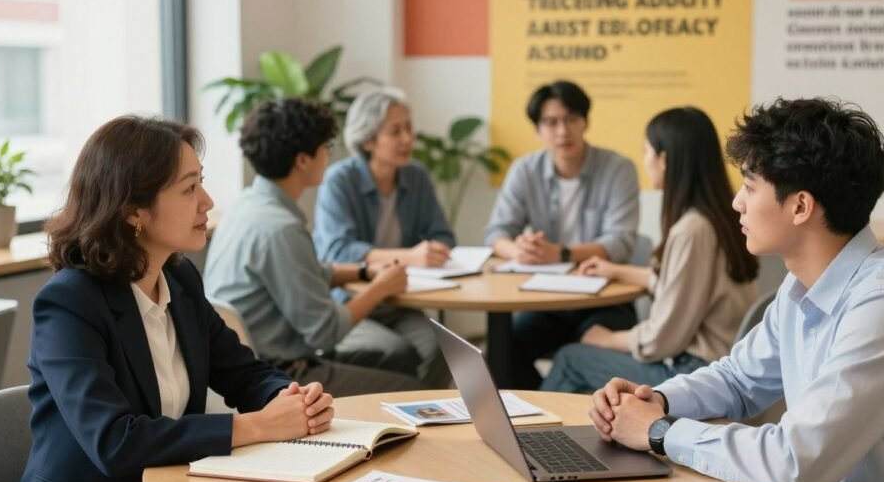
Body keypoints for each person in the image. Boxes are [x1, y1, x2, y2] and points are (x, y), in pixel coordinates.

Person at [590, 98, 884, 482]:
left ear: (800, 207)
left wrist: (659, 433)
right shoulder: (801, 289)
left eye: (750, 186)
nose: (736, 202)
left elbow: (796, 461)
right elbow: (739, 381)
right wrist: (656, 400)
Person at [0, 116, 336, 482]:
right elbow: (115, 441)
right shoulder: (69, 304)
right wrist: (253, 427)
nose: (208, 202)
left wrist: (289, 400)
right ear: (133, 211)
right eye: (188, 188)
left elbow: (244, 373)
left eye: (202, 183)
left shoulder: (180, 281)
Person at [205, 98, 431, 394]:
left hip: (241, 364)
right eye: (325, 148)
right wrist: (381, 288)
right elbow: (326, 332)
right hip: (282, 374)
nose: (329, 155)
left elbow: (305, 272)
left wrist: (363, 272)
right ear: (303, 160)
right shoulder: (282, 228)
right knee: (410, 389)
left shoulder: (246, 206)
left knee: (398, 355)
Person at [542, 107, 759, 394]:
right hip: (722, 364)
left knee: (570, 359)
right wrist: (617, 270)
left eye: (646, 151)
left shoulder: (691, 230)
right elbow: (684, 287)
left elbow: (662, 339)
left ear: (664, 160)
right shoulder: (718, 216)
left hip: (695, 372)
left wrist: (608, 339)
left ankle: (524, 438)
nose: (645, 161)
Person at [483, 80, 640, 388]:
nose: (562, 131)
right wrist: (519, 250)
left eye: (571, 119)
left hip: (605, 299)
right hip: (548, 300)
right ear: (537, 130)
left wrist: (561, 254)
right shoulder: (525, 170)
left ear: (586, 122)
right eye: (551, 122)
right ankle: (534, 417)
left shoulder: (618, 168)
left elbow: (620, 242)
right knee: (500, 353)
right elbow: (496, 232)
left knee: (581, 355)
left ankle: (557, 409)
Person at [314, 87, 452, 387]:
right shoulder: (340, 180)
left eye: (409, 128)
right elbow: (338, 249)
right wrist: (410, 256)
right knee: (397, 353)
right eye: (395, 131)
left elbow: (443, 234)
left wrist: (436, 249)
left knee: (443, 348)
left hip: (400, 301)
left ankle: (427, 416)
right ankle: (403, 412)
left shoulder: (416, 176)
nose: (408, 139)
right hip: (352, 300)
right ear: (367, 140)